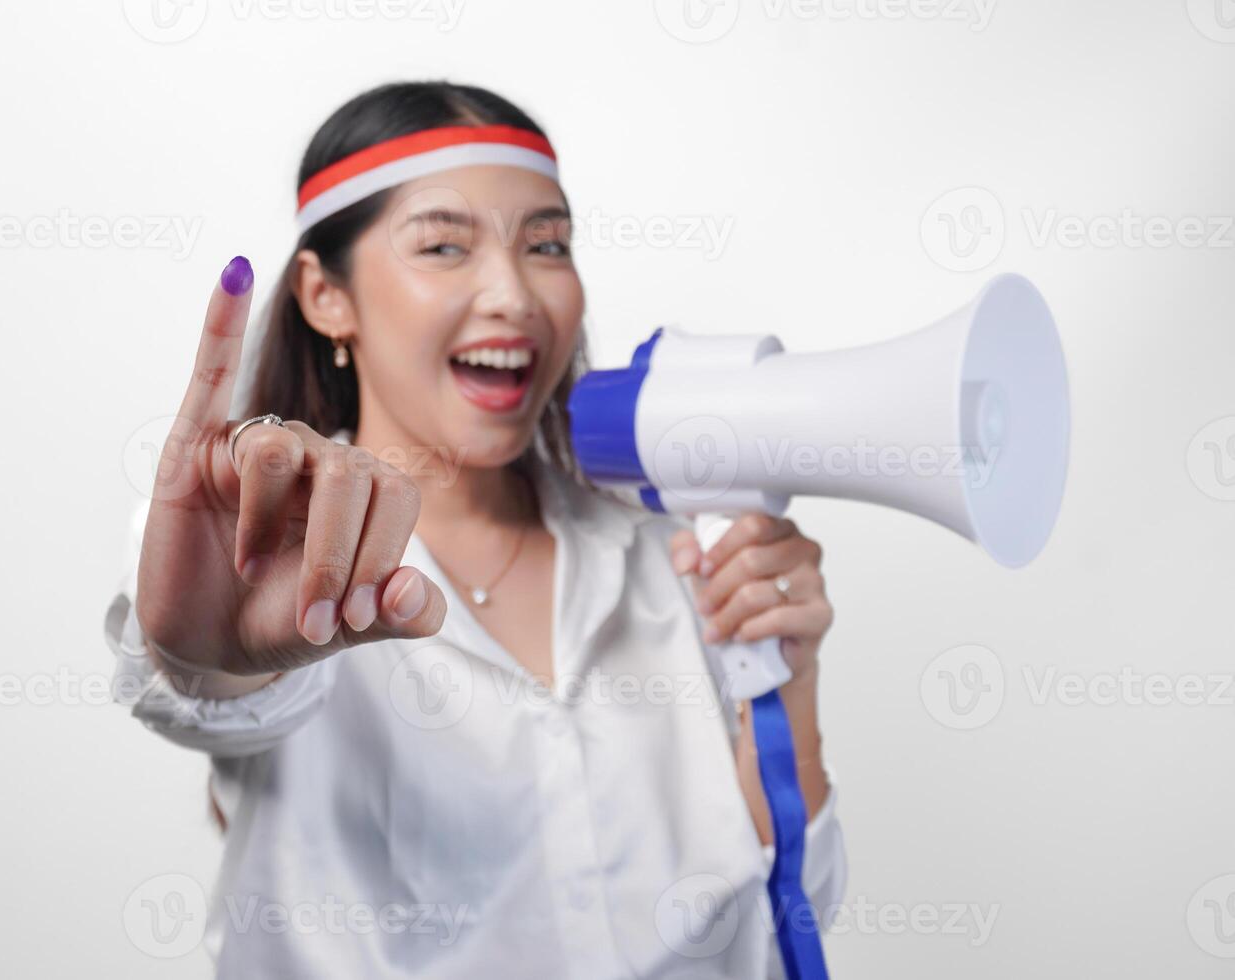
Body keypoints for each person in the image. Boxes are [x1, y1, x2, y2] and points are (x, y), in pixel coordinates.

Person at [105, 79, 846, 978]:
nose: (513, 294)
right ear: (325, 295)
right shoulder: (265, 556)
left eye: (548, 245)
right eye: (444, 245)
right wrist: (200, 658)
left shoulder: (670, 554)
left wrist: (784, 680)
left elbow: (785, 909)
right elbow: (218, 698)